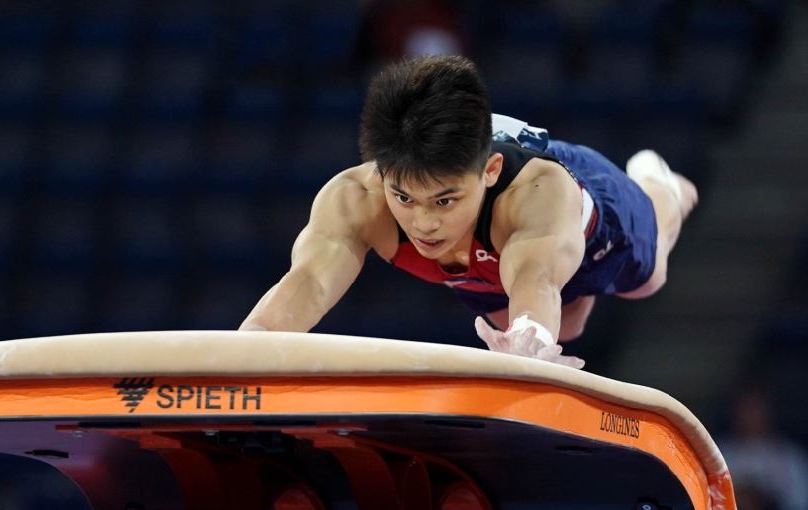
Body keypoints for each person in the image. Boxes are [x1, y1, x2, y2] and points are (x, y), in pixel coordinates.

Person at [239, 55, 698, 367]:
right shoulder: (357, 199)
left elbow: (536, 279)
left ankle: (659, 184)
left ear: (491, 170)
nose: (424, 223)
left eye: (444, 200)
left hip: (583, 215)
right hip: (504, 255)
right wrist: (247, 345)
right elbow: (310, 282)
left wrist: (530, 337)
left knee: (648, 278)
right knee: (571, 324)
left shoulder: (538, 194)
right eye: (404, 199)